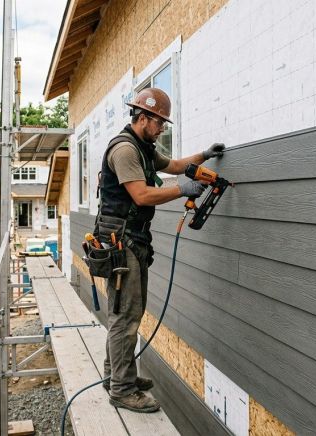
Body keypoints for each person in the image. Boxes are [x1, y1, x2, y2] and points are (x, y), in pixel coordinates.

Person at [98, 87, 225, 412]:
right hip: (120, 240)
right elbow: (141, 195)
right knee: (126, 316)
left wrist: (204, 156)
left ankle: (116, 375)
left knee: (125, 313)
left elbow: (174, 165)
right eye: (160, 122)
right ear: (143, 118)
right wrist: (182, 190)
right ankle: (122, 389)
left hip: (133, 238)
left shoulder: (144, 147)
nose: (163, 128)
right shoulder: (126, 150)